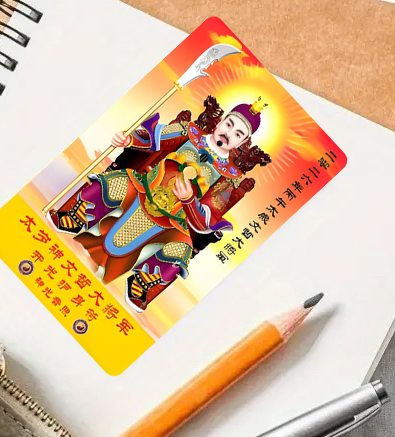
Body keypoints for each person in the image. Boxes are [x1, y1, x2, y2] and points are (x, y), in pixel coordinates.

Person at [50, 96, 270, 312]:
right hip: (142, 189)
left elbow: (205, 219)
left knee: (181, 251)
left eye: (238, 134)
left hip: (172, 222)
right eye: (229, 124)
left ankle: (142, 285)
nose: (228, 133)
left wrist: (188, 200)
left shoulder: (228, 178)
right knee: (113, 182)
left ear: (242, 142)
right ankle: (73, 217)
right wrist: (129, 140)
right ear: (222, 120)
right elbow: (155, 138)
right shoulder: (189, 132)